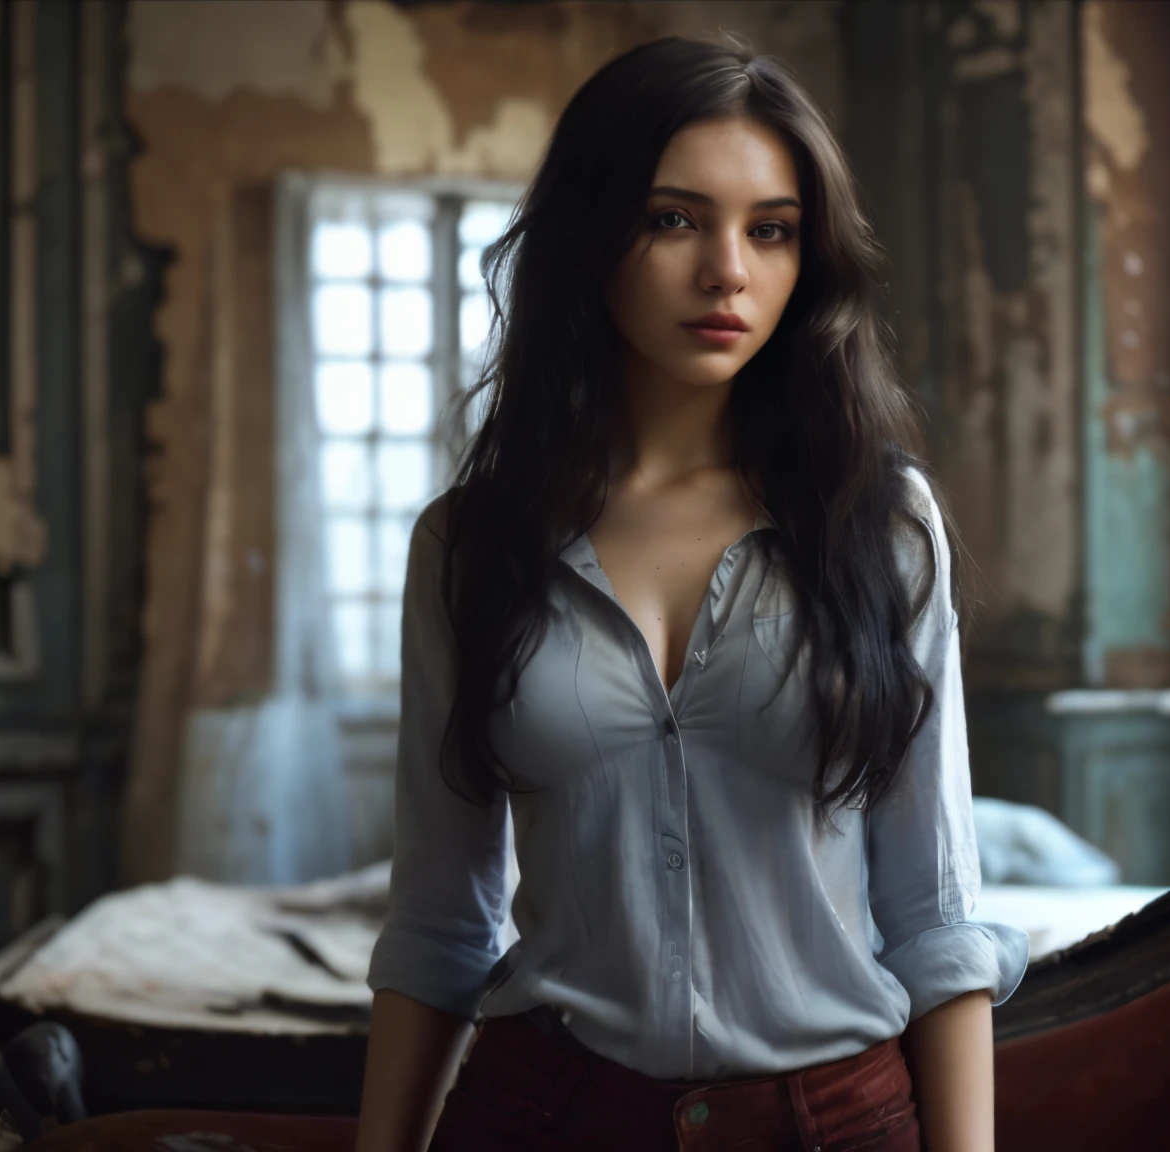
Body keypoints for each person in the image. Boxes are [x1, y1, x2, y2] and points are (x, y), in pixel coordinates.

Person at [354, 34, 1029, 1152]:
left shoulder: (879, 524)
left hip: (835, 1119)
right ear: (589, 236)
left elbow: (935, 911)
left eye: (771, 230)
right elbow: (436, 921)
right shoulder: (471, 548)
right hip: (540, 1113)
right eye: (675, 219)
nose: (729, 271)